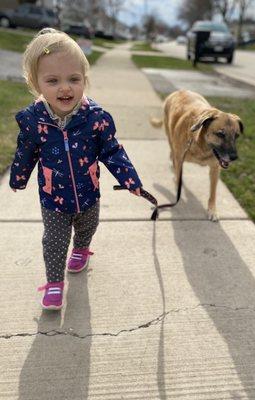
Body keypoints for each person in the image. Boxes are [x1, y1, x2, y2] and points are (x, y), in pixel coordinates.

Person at [9, 28, 142, 310]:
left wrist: (129, 178)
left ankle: (81, 249)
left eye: (73, 79)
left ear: (85, 79)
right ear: (37, 84)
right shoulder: (34, 121)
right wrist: (19, 177)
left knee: (88, 226)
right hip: (53, 198)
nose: (65, 88)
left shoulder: (96, 119)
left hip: (88, 192)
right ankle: (54, 283)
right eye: (53, 81)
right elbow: (25, 152)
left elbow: (112, 150)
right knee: (54, 243)